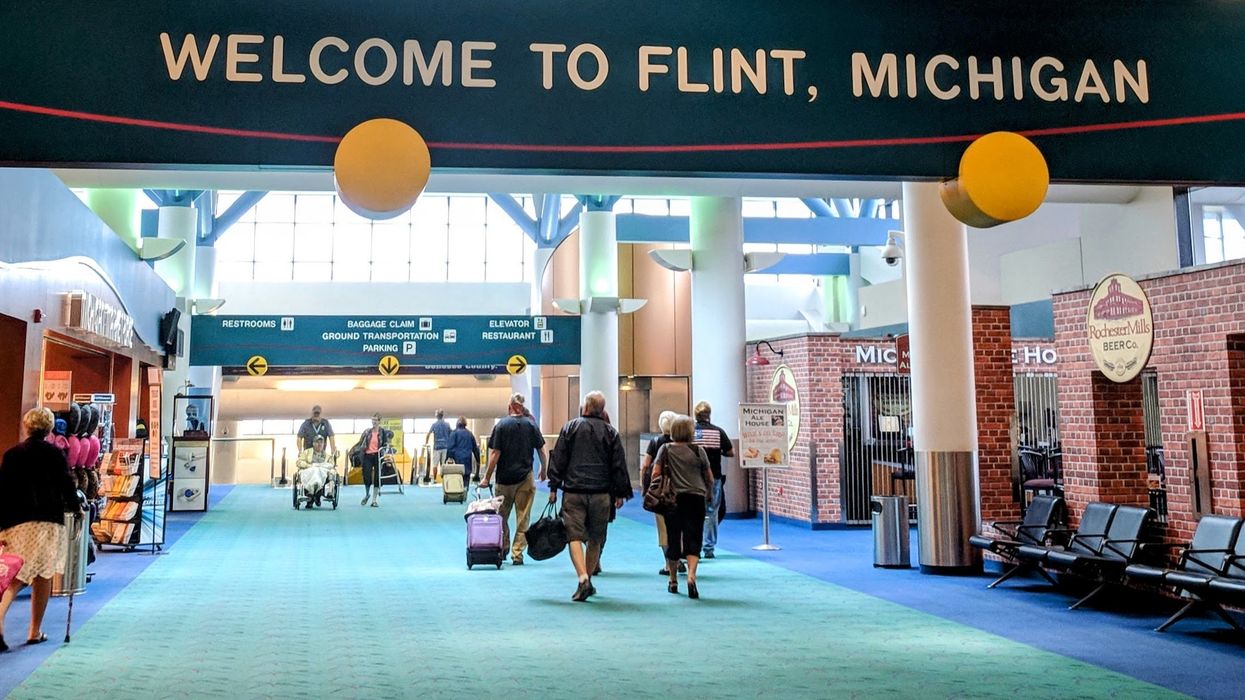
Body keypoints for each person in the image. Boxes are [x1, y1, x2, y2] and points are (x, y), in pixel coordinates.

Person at [0, 408, 81, 651]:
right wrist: (77, 509)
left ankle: (1, 618)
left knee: (15, 571)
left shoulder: (12, 454)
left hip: (16, 521)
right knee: (42, 573)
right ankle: (34, 630)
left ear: (26, 427)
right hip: (47, 519)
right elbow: (66, 484)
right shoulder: (55, 454)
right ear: (49, 429)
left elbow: (2, 489)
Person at [546, 391, 631, 602]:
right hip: (602, 494)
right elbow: (618, 465)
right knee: (596, 538)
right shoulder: (611, 432)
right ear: (602, 410)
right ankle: (588, 579)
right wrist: (620, 493)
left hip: (574, 492)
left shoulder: (569, 427)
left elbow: (558, 459)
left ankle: (582, 577)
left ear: (584, 407)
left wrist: (554, 487)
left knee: (573, 536)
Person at [480, 395, 547, 566]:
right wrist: (544, 469)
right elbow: (542, 450)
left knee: (501, 516)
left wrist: (487, 477)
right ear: (522, 408)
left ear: (510, 406)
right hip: (525, 477)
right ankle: (518, 554)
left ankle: (503, 547)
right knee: (523, 517)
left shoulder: (501, 425)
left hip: (504, 480)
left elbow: (495, 454)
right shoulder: (531, 424)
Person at [652, 414, 714, 599]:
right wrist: (708, 493)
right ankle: (691, 577)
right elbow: (709, 477)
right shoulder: (698, 451)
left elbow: (656, 473)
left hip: (672, 499)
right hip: (695, 498)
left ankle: (672, 579)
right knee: (693, 537)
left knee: (673, 537)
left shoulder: (665, 449)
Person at [641, 411, 684, 576]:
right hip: (680, 489)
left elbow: (646, 466)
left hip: (662, 491)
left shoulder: (655, 442)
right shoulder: (681, 443)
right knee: (679, 526)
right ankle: (678, 559)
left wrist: (646, 487)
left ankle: (668, 564)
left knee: (663, 529)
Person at [692, 401, 735, 559]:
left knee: (694, 512)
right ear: (709, 415)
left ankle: (694, 545)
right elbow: (731, 452)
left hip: (694, 479)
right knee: (711, 512)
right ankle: (709, 547)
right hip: (714, 477)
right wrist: (720, 453)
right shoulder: (718, 432)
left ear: (695, 415)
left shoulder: (691, 432)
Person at [355, 413, 392, 508]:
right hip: (367, 455)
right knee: (366, 476)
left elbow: (386, 444)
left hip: (377, 455)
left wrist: (385, 452)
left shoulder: (383, 432)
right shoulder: (367, 432)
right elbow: (361, 443)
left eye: (375, 420)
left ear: (379, 421)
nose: (374, 422)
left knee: (377, 477)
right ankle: (367, 494)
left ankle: (374, 500)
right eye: (372, 420)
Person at [295, 435, 335, 509]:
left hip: (322, 473)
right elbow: (299, 462)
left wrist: (320, 466)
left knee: (319, 471)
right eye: (317, 442)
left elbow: (332, 465)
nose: (319, 444)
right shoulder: (306, 453)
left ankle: (312, 493)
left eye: (321, 442)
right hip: (309, 471)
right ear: (313, 443)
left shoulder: (328, 456)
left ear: (324, 444)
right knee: (314, 471)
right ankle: (314, 496)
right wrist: (309, 465)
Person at [446, 416, 480, 482]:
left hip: (457, 461)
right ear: (465, 424)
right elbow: (475, 449)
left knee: (457, 481)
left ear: (457, 424)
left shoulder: (454, 433)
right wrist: (478, 460)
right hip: (467, 460)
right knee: (466, 479)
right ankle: (465, 490)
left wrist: (447, 459)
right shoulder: (470, 434)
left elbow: (450, 448)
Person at [424, 409, 453, 484]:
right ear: (443, 415)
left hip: (437, 447)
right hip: (445, 447)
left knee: (435, 464)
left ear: (436, 416)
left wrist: (426, 443)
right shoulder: (447, 424)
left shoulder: (434, 425)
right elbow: (451, 433)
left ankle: (434, 479)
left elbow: (428, 434)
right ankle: (444, 479)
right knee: (444, 465)